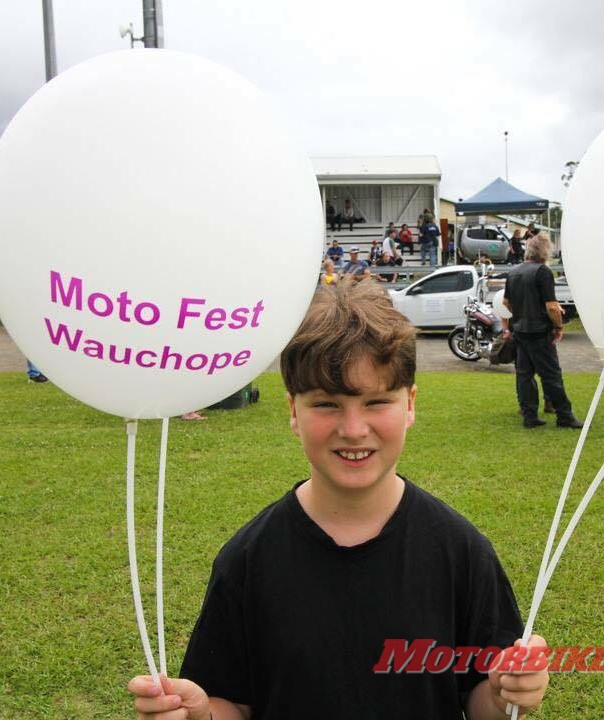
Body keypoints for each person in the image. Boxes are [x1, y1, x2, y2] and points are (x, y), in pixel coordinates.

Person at [127, 280, 549, 719]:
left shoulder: (460, 551)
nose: (352, 429)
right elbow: (231, 700)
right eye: (327, 404)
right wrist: (202, 714)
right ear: (293, 410)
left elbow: (480, 698)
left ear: (410, 404)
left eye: (376, 402)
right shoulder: (250, 558)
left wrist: (505, 693)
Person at [503, 232, 582, 429]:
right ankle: (564, 415)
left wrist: (520, 314)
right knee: (551, 375)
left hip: (520, 329)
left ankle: (529, 415)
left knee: (524, 374)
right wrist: (558, 326)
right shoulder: (542, 272)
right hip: (539, 331)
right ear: (545, 251)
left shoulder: (513, 272)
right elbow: (552, 306)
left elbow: (506, 302)